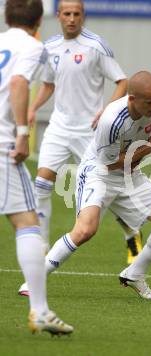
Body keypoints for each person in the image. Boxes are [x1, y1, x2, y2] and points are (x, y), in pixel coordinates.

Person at [35, 71, 151, 299]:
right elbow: (110, 164)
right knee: (85, 230)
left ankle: (135, 273)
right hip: (100, 173)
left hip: (130, 174)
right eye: (149, 103)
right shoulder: (111, 121)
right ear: (131, 99)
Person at [25, 0, 142, 268]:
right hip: (58, 126)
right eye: (67, 14)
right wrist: (32, 108)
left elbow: (122, 80)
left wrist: (107, 110)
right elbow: (47, 84)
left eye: (77, 14)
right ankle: (42, 248)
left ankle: (132, 234)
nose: (72, 18)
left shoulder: (96, 46)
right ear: (58, 16)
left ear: (83, 16)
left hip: (90, 131)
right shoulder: (50, 47)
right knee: (42, 184)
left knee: (106, 190)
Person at [0, 0, 73, 334]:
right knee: (27, 221)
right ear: (40, 19)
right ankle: (40, 310)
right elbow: (18, 84)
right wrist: (22, 133)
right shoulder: (32, 46)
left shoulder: (2, 42)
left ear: (6, 16)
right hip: (3, 147)